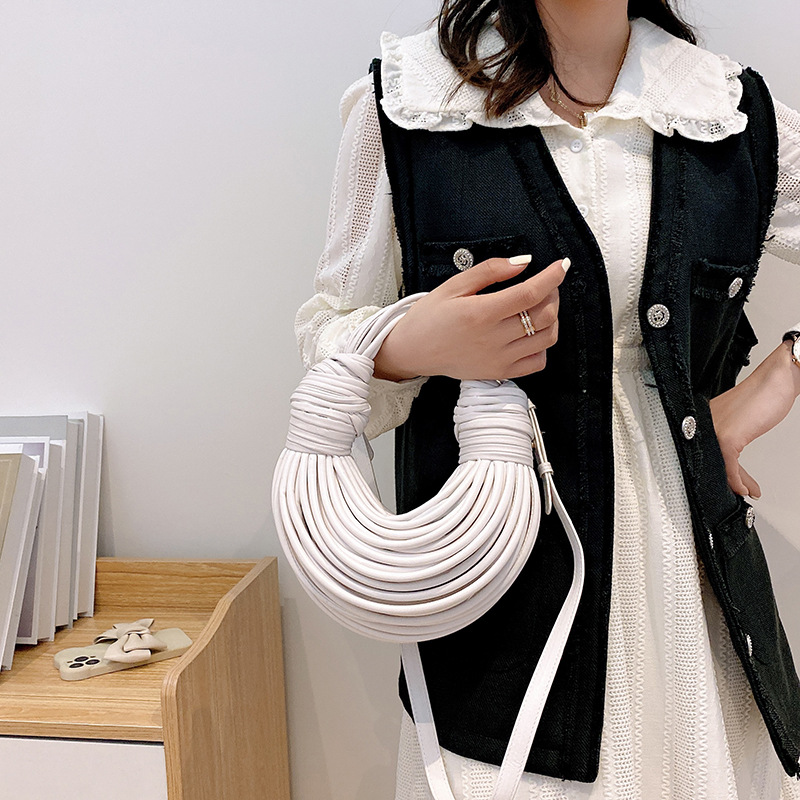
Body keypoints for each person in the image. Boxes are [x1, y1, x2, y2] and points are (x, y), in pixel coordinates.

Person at [295, 0, 800, 797]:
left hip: (690, 577)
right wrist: (415, 343)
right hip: (499, 581)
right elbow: (330, 330)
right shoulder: (414, 101)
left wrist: (778, 378)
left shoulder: (725, 109)